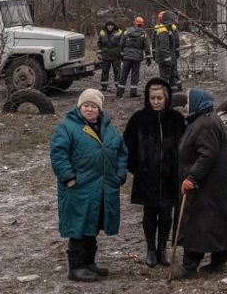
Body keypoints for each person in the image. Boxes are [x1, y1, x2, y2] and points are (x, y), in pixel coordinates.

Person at [49, 88, 128, 282]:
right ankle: (76, 268)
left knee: (93, 226)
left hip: (103, 187)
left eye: (93, 106)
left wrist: (119, 174)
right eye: (86, 105)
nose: (89, 109)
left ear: (99, 109)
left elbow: (122, 152)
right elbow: (58, 153)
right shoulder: (67, 127)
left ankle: (89, 262)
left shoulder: (109, 128)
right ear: (79, 106)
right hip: (78, 187)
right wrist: (68, 177)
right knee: (79, 225)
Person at [173, 88, 227, 279]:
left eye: (188, 101)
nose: (186, 105)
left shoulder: (205, 123)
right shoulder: (208, 119)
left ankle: (189, 266)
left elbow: (207, 154)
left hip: (204, 186)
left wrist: (192, 178)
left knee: (197, 223)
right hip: (214, 185)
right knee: (218, 221)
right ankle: (218, 261)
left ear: (197, 102)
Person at [122, 77, 187, 267]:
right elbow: (127, 146)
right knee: (149, 214)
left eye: (159, 98)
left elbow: (185, 145)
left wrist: (179, 167)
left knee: (166, 214)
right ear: (148, 98)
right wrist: (136, 167)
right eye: (153, 98)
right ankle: (150, 249)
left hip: (170, 176)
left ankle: (162, 248)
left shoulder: (176, 119)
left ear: (166, 98)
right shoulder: (138, 119)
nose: (156, 102)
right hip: (147, 177)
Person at [119, 16, 150, 98]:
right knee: (135, 75)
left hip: (127, 57)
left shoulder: (126, 32)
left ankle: (119, 92)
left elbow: (121, 44)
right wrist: (148, 57)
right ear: (142, 24)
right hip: (137, 57)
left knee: (123, 74)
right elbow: (147, 46)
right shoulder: (143, 34)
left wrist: (122, 54)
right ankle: (133, 92)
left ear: (134, 22)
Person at [153, 11, 178, 93]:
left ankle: (173, 94)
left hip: (169, 57)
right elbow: (164, 48)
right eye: (174, 19)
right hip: (165, 59)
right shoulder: (163, 30)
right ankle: (164, 93)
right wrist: (168, 60)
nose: (176, 21)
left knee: (172, 76)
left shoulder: (169, 28)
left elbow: (173, 45)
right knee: (165, 77)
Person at [97, 20, 123, 94]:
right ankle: (104, 86)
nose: (110, 27)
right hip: (105, 56)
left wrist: (122, 54)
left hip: (116, 56)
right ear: (106, 26)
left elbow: (122, 44)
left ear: (114, 26)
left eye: (111, 25)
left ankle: (118, 86)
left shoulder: (119, 32)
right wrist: (99, 53)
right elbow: (99, 43)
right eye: (108, 25)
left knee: (117, 71)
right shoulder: (102, 33)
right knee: (104, 71)